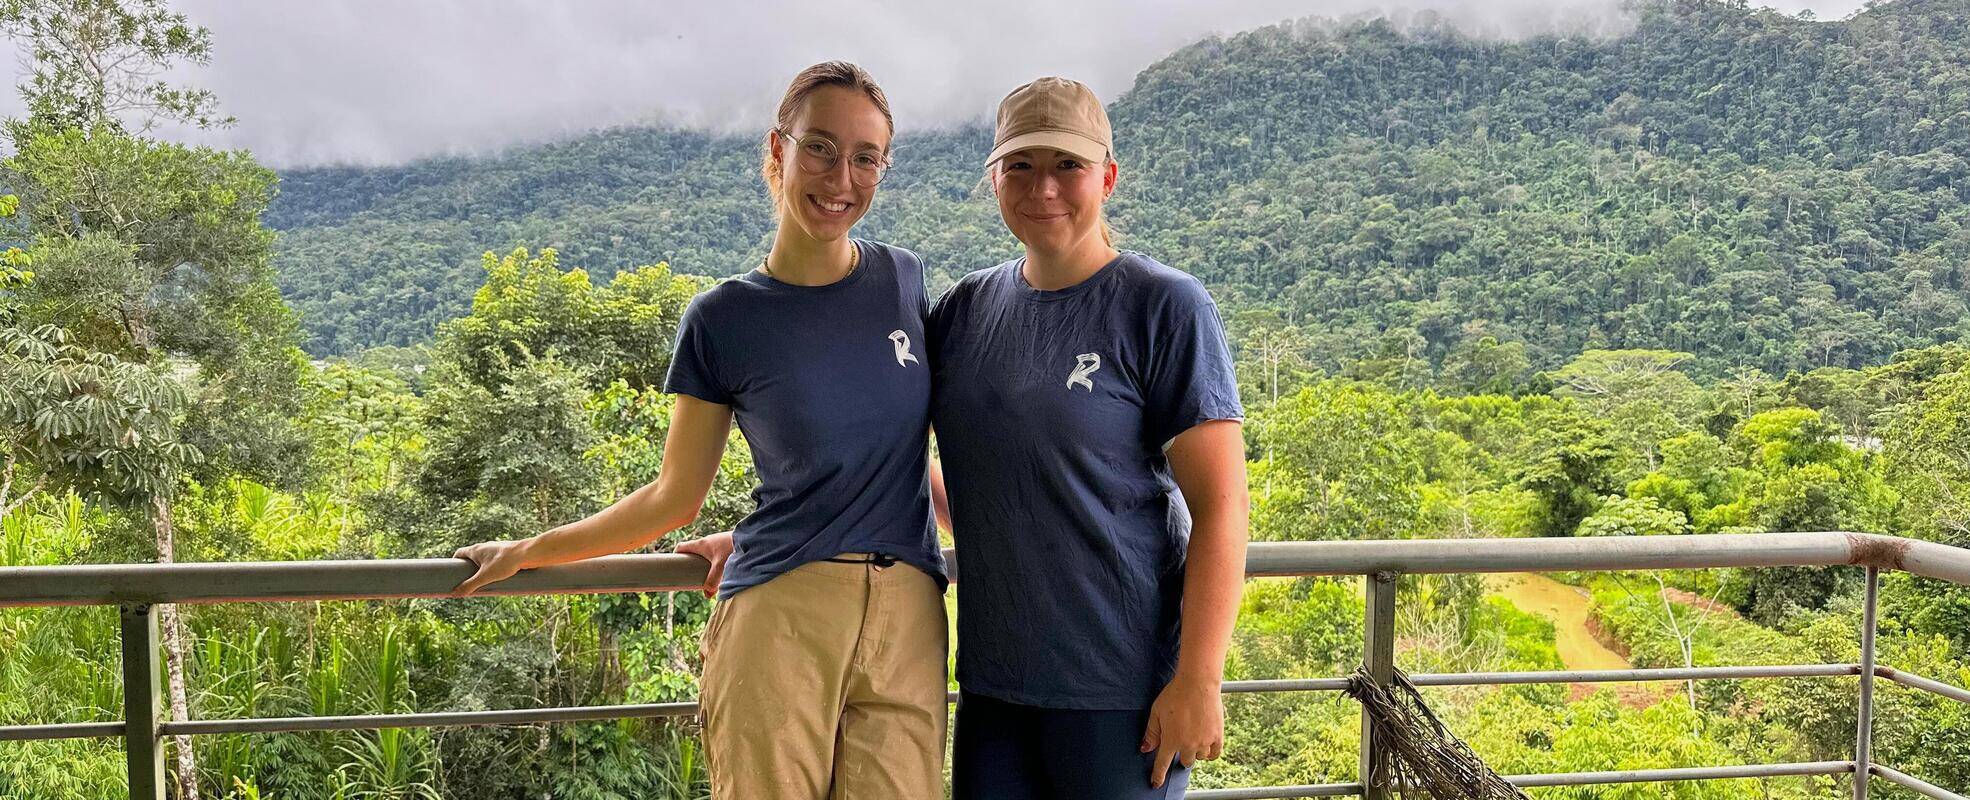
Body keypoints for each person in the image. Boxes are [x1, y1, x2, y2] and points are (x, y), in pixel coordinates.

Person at [450, 61, 950, 800]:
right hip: (782, 610)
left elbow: (903, 454)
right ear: (776, 152)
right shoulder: (724, 319)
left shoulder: (902, 279)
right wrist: (531, 551)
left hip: (909, 609)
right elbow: (673, 496)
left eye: (865, 156)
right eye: (819, 147)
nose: (841, 176)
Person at [928, 76, 1251, 799]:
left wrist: (1200, 679)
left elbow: (1224, 507)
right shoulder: (963, 312)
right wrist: (771, 528)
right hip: (994, 691)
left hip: (1123, 694)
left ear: (1107, 175)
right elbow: (883, 448)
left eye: (1066, 165)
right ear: (994, 179)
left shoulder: (1163, 305)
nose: (1043, 187)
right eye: (1021, 165)